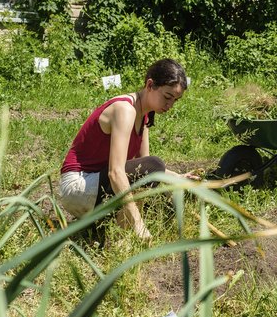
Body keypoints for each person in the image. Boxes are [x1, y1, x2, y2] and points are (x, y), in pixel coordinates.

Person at [60, 58, 194, 240]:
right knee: (154, 165)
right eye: (167, 97)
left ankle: (109, 229)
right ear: (150, 85)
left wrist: (179, 178)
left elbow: (143, 170)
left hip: (94, 186)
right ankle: (124, 232)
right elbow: (116, 172)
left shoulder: (144, 116)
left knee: (154, 178)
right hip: (78, 187)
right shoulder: (125, 110)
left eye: (175, 101)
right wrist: (139, 224)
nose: (170, 105)